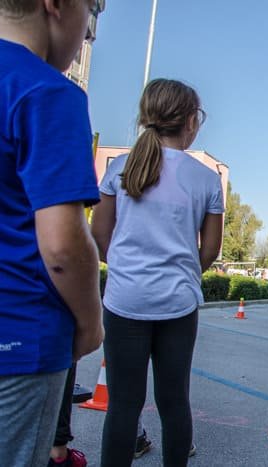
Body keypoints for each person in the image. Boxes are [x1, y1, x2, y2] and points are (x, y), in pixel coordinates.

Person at [91, 79, 224, 466]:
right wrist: (184, 273)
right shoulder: (206, 179)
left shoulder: (120, 169)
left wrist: (127, 269)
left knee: (123, 406)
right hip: (178, 304)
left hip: (124, 300)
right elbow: (210, 250)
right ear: (190, 121)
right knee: (174, 401)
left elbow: (100, 235)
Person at [0, 2, 105, 466]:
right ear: (56, 4)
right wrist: (91, 322)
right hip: (19, 339)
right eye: (92, 9)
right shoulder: (47, 91)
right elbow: (63, 245)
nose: (88, 32)